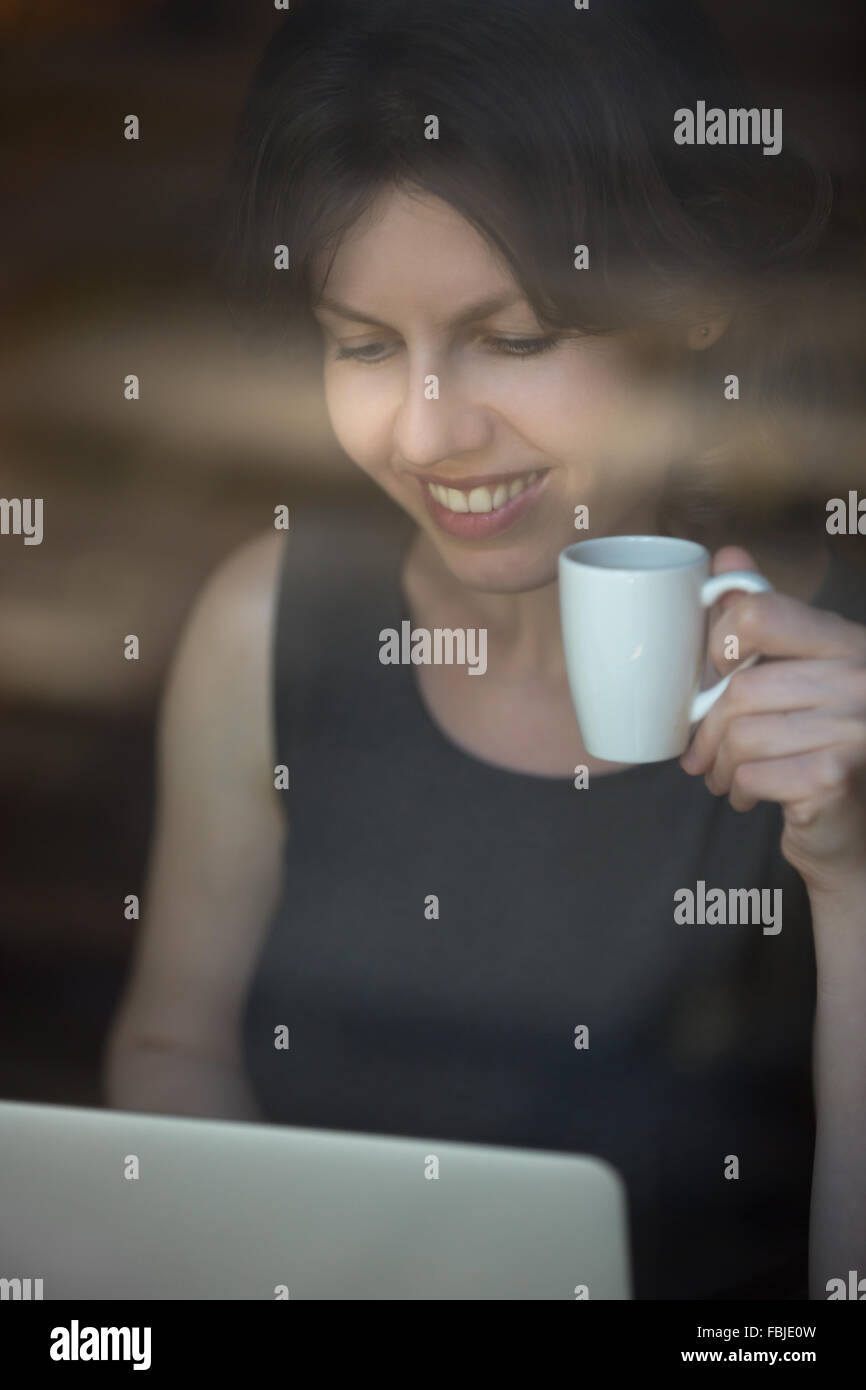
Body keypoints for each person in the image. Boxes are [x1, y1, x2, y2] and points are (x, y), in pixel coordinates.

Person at [104, 0, 866, 1300]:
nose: (424, 433)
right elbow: (180, 1045)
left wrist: (848, 876)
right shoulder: (270, 624)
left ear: (690, 299)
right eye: (360, 347)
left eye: (511, 339)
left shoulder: (836, 694)